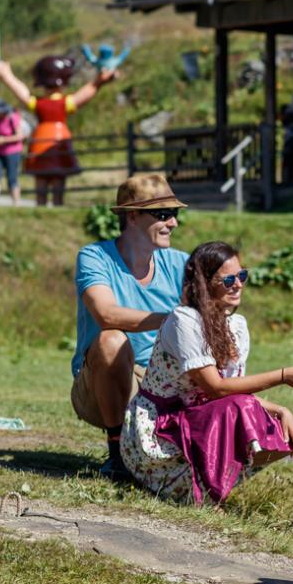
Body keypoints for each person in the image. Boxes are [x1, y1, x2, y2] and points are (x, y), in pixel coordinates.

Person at [121, 241, 293, 503]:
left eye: (242, 275)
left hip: (202, 419)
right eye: (228, 279)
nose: (238, 284)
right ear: (203, 283)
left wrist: (280, 410)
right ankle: (192, 487)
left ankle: (209, 488)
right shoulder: (184, 320)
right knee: (242, 409)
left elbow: (232, 390)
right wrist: (283, 375)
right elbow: (216, 388)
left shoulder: (237, 325)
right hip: (159, 432)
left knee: (282, 427)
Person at [72, 173, 190, 479]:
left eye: (174, 214)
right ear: (133, 217)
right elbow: (106, 315)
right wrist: (174, 319)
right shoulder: (94, 256)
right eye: (163, 214)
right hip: (104, 385)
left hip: (164, 380)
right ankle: (117, 455)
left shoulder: (181, 263)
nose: (173, 223)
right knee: (110, 340)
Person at [0, 55, 115, 207]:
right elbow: (84, 94)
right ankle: (57, 204)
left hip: (41, 139)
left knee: (42, 178)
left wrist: (7, 76)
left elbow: (24, 94)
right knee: (58, 177)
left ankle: (42, 205)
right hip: (59, 139)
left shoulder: (39, 103)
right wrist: (98, 82)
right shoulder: (64, 103)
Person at [0, 99, 25, 205]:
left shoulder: (12, 118)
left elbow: (20, 136)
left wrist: (4, 140)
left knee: (12, 178)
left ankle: (16, 203)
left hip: (12, 152)